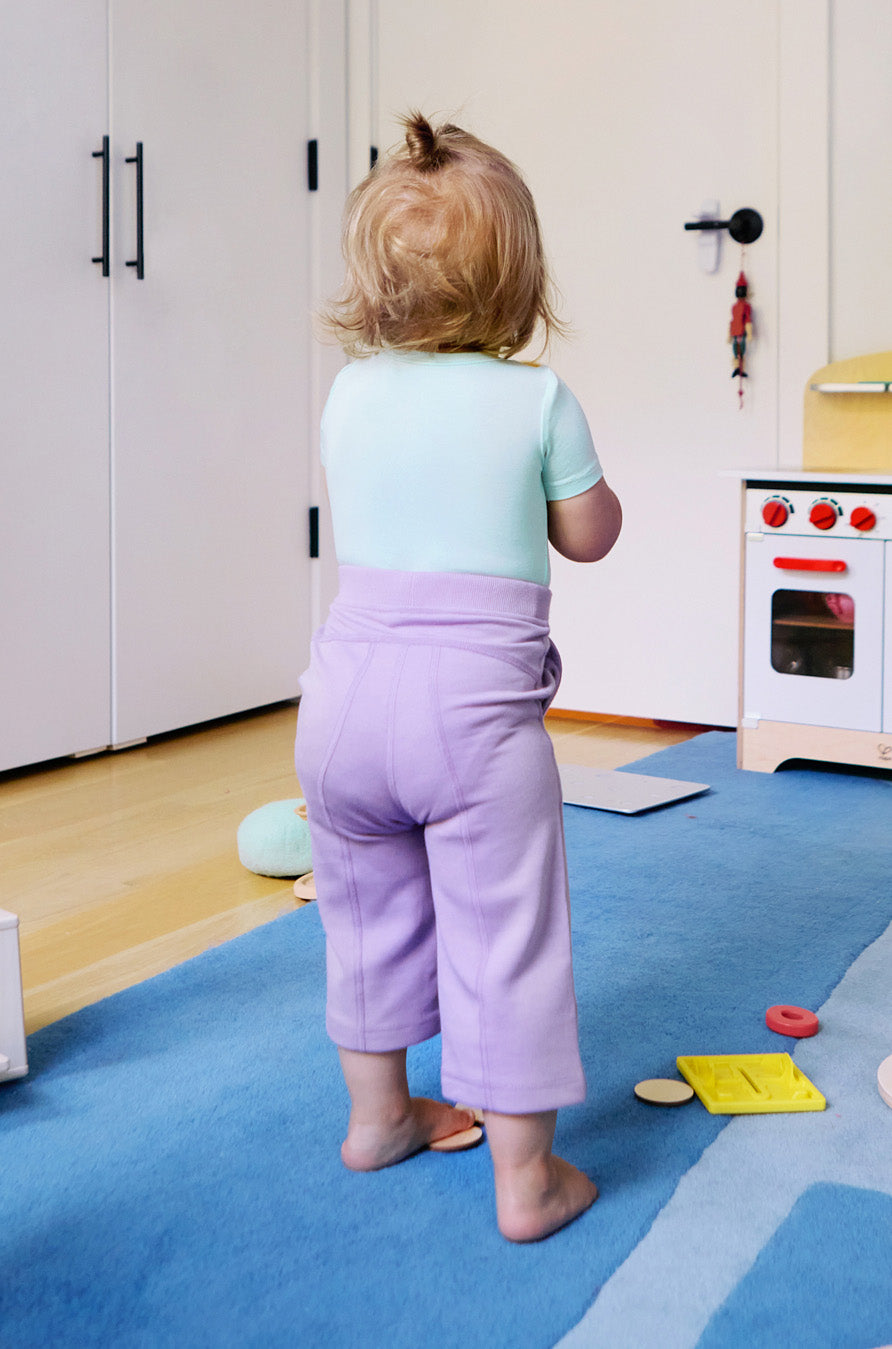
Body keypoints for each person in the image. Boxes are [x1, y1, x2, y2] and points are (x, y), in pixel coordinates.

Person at [294, 112, 622, 1243]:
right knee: (504, 935)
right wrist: (574, 488)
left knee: (367, 916)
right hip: (469, 724)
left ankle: (379, 1116)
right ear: (517, 281)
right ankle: (528, 1181)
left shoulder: (347, 393)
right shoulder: (536, 400)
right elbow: (588, 537)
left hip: (339, 705)